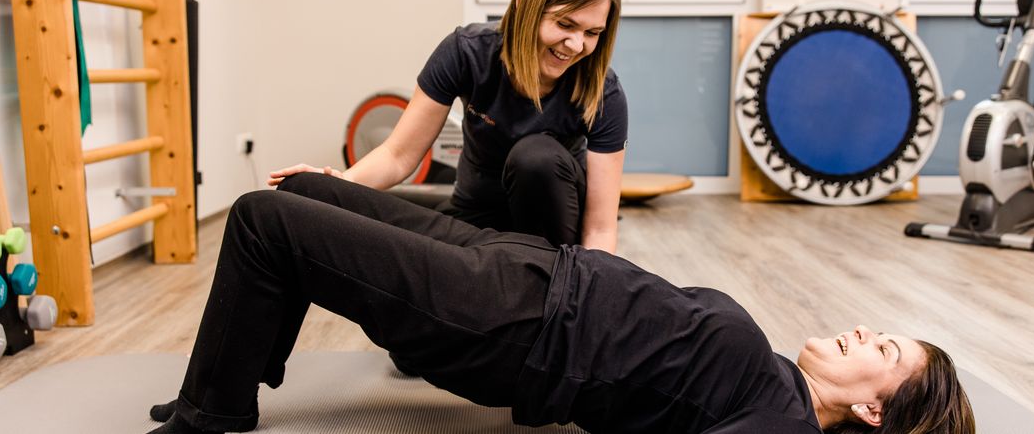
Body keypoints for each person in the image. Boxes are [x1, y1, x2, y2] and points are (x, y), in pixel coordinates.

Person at [146, 173, 974, 434]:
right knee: (306, 192)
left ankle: (213, 411)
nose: (868, 331)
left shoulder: (780, 421)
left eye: (886, 350)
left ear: (872, 411)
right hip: (530, 269)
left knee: (263, 222)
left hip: (512, 325)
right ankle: (249, 360)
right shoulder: (771, 381)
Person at [267, 0, 628, 254]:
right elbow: (398, 155)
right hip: (474, 220)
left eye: (592, 32)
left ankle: (544, 281)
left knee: (535, 158)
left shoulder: (604, 92)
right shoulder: (466, 52)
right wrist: (333, 186)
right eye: (565, 25)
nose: (577, 45)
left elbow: (599, 229)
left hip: (552, 237)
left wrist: (587, 298)